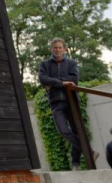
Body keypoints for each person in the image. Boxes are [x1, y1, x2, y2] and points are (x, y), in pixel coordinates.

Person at [38, 37, 98, 170]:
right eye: (55, 47)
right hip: (55, 103)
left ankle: (75, 163)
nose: (57, 50)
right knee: (63, 131)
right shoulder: (45, 65)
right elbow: (42, 79)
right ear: (51, 49)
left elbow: (74, 79)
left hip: (72, 102)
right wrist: (62, 83)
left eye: (60, 47)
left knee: (77, 131)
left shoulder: (71, 63)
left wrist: (52, 83)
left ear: (64, 49)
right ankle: (89, 151)